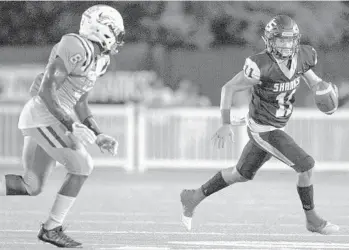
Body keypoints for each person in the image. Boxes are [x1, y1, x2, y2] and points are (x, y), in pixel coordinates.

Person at [180, 15, 339, 235]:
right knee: (306, 166)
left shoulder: (303, 55)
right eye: (280, 40)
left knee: (240, 174)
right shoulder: (261, 65)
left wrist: (324, 92)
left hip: (274, 126)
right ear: (270, 41)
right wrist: (225, 123)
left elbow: (312, 80)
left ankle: (193, 197)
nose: (285, 45)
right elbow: (228, 88)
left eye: (289, 40)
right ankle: (312, 220)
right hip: (264, 129)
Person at [0, 5, 124, 248]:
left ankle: (51, 228)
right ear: (102, 29)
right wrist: (70, 124)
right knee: (83, 165)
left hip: (50, 118)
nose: (118, 38)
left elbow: (81, 101)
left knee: (31, 185)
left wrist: (98, 135)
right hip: (45, 116)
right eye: (115, 31)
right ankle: (52, 228)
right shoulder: (75, 45)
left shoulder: (101, 60)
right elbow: (47, 90)